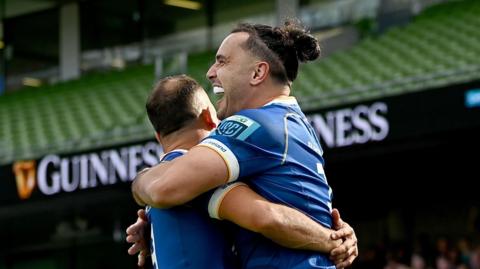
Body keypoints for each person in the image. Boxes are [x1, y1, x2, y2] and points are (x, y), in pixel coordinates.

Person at [131, 20, 358, 268]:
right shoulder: (293, 123)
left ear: (258, 73)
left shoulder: (254, 124)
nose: (210, 72)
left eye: (222, 61)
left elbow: (165, 189)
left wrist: (140, 182)